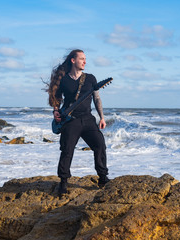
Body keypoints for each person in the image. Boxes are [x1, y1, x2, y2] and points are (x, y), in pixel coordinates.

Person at [47, 49, 109, 195]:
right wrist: (56, 111)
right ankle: (63, 182)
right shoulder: (63, 79)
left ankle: (103, 177)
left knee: (100, 145)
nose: (85, 61)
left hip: (88, 119)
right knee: (67, 150)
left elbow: (97, 99)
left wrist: (102, 117)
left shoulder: (90, 78)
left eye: (85, 59)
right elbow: (56, 97)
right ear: (73, 60)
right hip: (70, 121)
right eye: (82, 59)